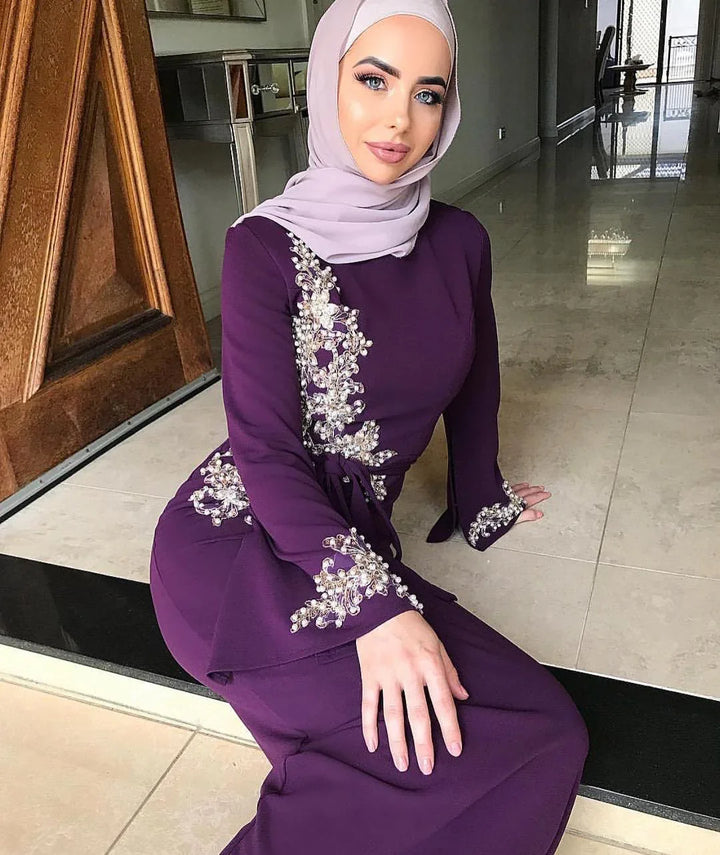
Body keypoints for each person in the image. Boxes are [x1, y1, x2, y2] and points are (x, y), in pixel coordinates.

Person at [148, 0, 590, 852]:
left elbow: (475, 383)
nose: (399, 118)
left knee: (545, 730)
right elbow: (267, 453)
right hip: (239, 549)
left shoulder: (458, 240)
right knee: (415, 748)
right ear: (328, 81)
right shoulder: (263, 248)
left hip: (352, 545)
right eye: (373, 79)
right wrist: (381, 612)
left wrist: (481, 496)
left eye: (429, 93)